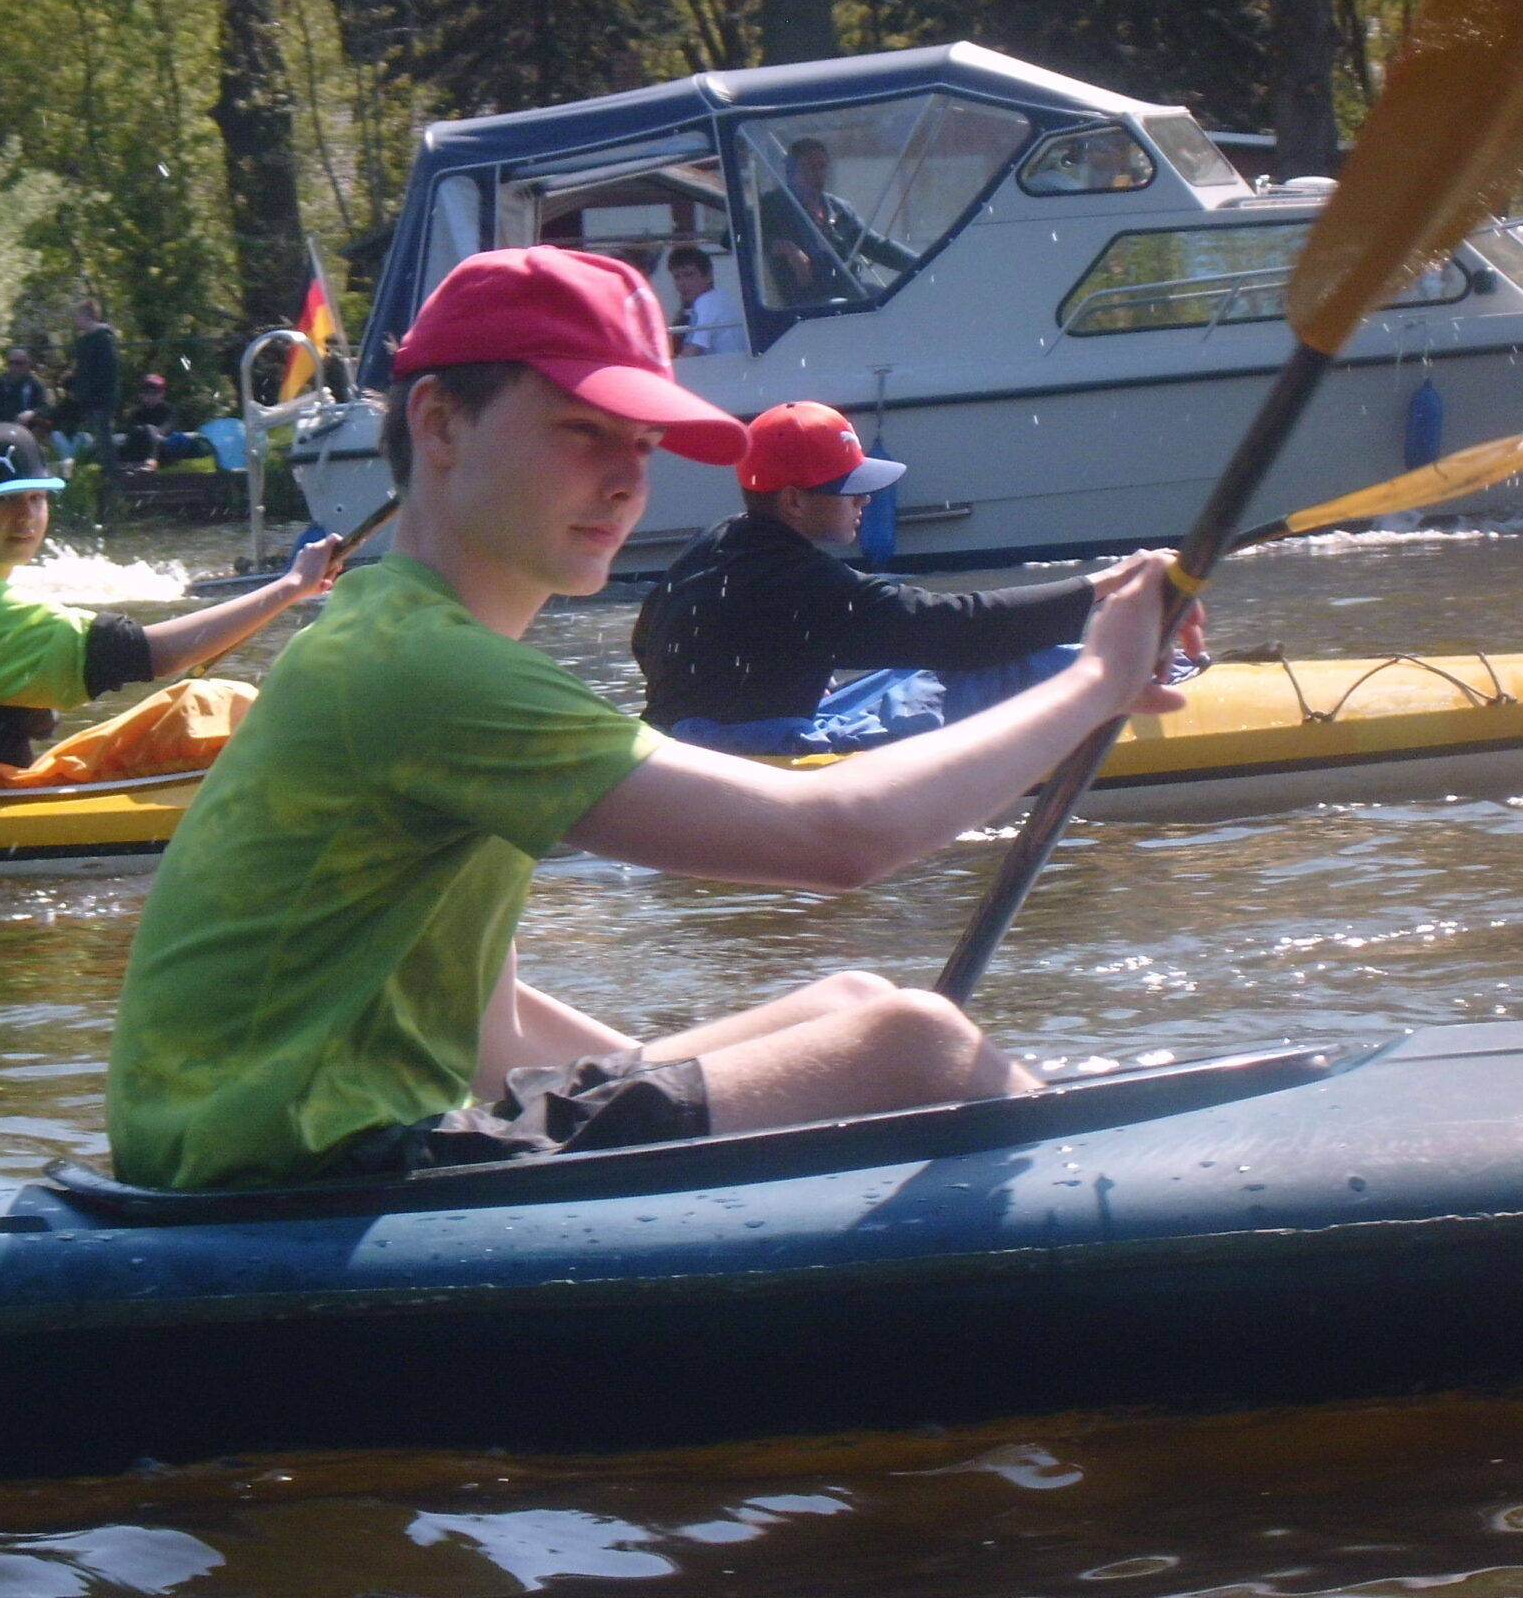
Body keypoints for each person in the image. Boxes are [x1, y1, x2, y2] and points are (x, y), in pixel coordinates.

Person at [105, 245, 1186, 1192]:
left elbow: (492, 1020)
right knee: (912, 1044)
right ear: (439, 423)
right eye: (583, 432)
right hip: (284, 1166)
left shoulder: (392, 634)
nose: (628, 484)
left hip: (251, 1141)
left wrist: (689, 1110)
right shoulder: (423, 668)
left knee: (851, 999)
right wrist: (1092, 685)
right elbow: (839, 843)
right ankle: (1147, 1253)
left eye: (643, 445)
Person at [633, 401, 1207, 756]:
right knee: (1009, 662)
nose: (866, 499)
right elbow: (961, 631)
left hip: (689, 733)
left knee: (925, 664)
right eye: (849, 488)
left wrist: (766, 675)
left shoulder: (717, 541)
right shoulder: (800, 579)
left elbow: (648, 639)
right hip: (750, 749)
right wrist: (1115, 578)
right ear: (792, 501)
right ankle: (1170, 681)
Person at [0, 422, 336, 768]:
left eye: (35, 498)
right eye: (1, 500)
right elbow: (147, 654)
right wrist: (290, 586)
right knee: (211, 704)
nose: (24, 517)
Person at [756, 137, 917, 308]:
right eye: (809, 169)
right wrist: (785, 247)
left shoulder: (839, 209)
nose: (817, 174)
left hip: (850, 291)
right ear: (791, 173)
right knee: (841, 306)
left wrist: (922, 264)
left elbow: (876, 246)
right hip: (807, 301)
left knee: (899, 301)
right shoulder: (772, 206)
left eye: (822, 167)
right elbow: (735, 237)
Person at [53, 298, 121, 509]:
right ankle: (97, 470)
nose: (75, 321)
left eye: (77, 316)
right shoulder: (86, 342)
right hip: (88, 398)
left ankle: (110, 475)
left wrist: (91, 392)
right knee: (95, 435)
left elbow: (105, 373)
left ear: (86, 316)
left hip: (101, 397)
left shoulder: (103, 340)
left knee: (103, 435)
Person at [667, 246, 745, 358]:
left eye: (688, 275)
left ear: (708, 276)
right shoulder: (723, 297)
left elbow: (690, 354)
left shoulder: (705, 303)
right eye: (676, 277)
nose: (681, 283)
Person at [123, 371, 211, 471]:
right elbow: (133, 430)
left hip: (165, 449)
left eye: (155, 393)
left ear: (162, 394)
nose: (150, 396)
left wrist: (151, 433)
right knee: (139, 432)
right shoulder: (137, 413)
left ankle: (151, 461)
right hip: (143, 447)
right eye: (147, 393)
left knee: (149, 429)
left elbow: (165, 429)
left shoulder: (169, 410)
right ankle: (132, 464)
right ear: (141, 395)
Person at [0, 346, 50, 428]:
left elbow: (44, 408)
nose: (14, 366)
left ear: (28, 364)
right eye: (11, 363)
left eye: (18, 363)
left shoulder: (35, 386)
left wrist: (32, 413)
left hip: (23, 432)